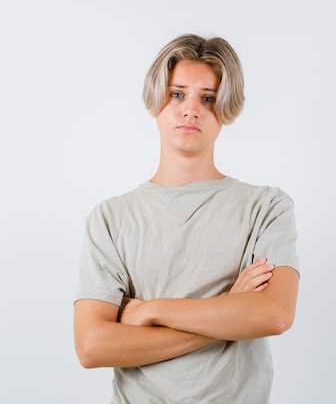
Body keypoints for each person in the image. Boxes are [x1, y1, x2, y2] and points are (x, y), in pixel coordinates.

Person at [73, 34, 300, 403]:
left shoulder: (266, 207)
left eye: (208, 98)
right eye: (177, 94)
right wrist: (231, 312)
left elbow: (274, 314)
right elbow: (91, 345)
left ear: (226, 107)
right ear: (155, 101)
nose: (190, 109)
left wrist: (149, 311)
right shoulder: (110, 219)